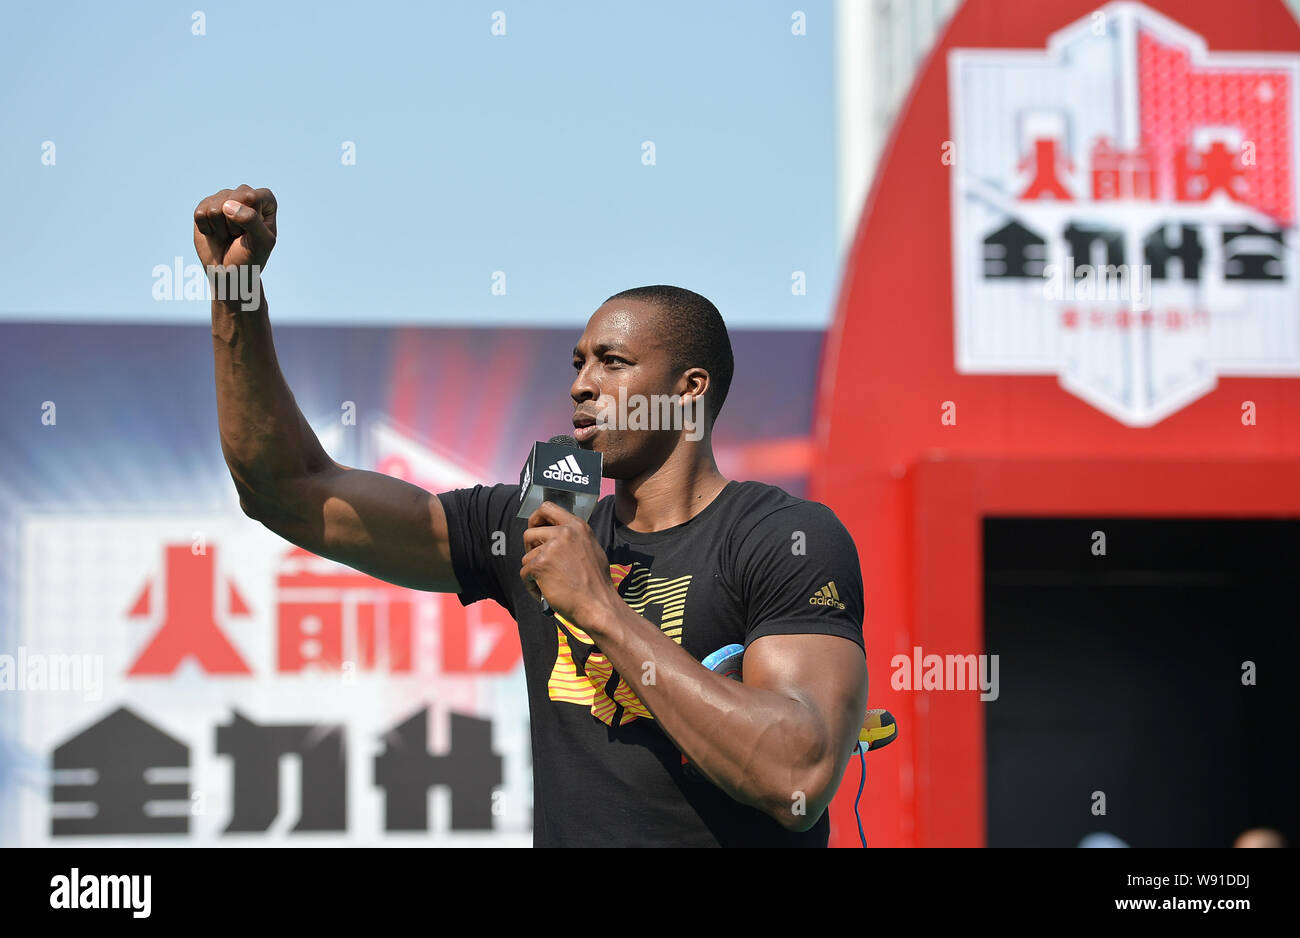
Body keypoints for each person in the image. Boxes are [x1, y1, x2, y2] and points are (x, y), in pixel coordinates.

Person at [195, 184, 870, 847]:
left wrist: (600, 608)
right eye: (579, 364)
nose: (581, 384)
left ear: (688, 390)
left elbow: (796, 776)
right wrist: (236, 296)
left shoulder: (783, 538)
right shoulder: (540, 527)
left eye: (613, 363)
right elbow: (286, 489)